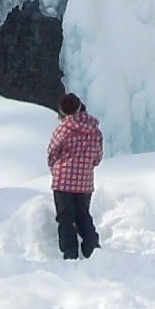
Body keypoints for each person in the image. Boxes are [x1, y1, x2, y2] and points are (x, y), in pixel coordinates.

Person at [46, 92, 103, 260]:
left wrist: (56, 168)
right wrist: (86, 166)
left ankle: (70, 253)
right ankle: (92, 249)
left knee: (65, 218)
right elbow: (98, 156)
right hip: (84, 182)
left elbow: (52, 154)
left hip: (63, 182)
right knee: (83, 215)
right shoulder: (94, 130)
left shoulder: (63, 129)